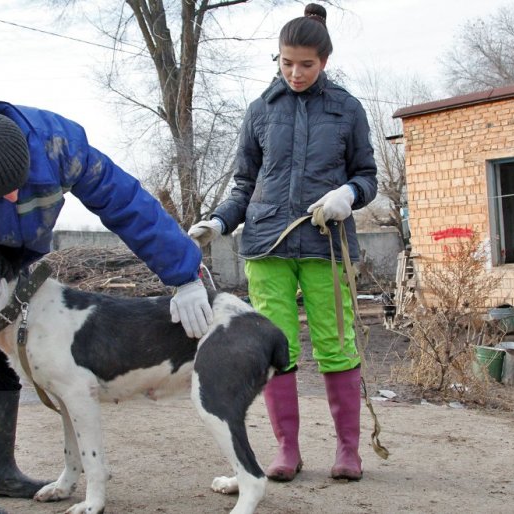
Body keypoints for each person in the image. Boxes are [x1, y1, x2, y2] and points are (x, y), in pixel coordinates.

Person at [0, 101, 213, 514]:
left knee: (12, 344)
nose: (14, 196)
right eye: (1, 192)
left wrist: (183, 274)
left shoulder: (60, 146)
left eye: (20, 185)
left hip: (15, 249)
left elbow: (126, 203)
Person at [188, 3, 377, 483]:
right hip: (266, 244)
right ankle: (287, 450)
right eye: (286, 62)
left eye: (306, 64)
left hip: (325, 245)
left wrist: (348, 194)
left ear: (324, 62)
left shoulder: (347, 109)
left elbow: (367, 176)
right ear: (278, 58)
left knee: (335, 345)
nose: (295, 73)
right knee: (278, 349)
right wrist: (219, 221)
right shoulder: (258, 111)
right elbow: (244, 184)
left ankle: (348, 451)